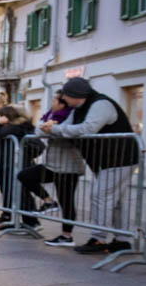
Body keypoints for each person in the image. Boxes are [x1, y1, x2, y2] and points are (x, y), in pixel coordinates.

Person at [42, 76, 139, 254]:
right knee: (116, 200)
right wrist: (52, 128)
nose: (63, 99)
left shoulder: (101, 104)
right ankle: (122, 240)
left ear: (75, 95)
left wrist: (54, 129)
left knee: (100, 196)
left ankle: (99, 238)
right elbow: (67, 127)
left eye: (65, 96)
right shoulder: (78, 108)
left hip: (119, 158)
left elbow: (87, 129)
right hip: (106, 160)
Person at [17, 96, 80, 246]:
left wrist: (52, 128)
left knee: (66, 200)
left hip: (68, 166)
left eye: (54, 100)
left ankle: (67, 236)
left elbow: (63, 132)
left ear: (62, 103)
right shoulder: (51, 116)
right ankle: (48, 201)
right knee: (24, 175)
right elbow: (38, 131)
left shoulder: (71, 116)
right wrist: (48, 127)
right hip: (52, 165)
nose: (51, 103)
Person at [0, 106, 36, 230]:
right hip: (6, 163)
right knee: (8, 191)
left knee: (21, 193)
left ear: (7, 117)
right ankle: (7, 217)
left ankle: (31, 221)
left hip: (15, 164)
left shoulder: (15, 128)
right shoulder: (10, 128)